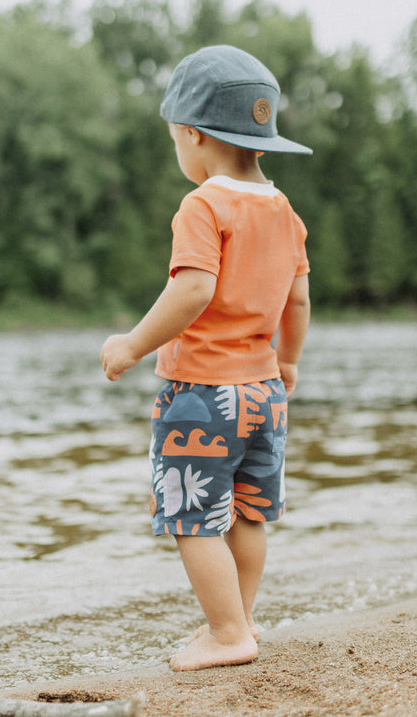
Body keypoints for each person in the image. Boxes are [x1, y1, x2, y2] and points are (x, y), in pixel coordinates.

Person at [100, 44, 311, 672]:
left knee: (192, 517)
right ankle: (238, 620)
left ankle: (226, 632)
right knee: (248, 512)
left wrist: (132, 344)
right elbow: (297, 298)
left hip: (202, 393)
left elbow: (193, 289)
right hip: (264, 392)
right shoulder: (283, 209)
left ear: (192, 136)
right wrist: (290, 362)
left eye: (174, 138)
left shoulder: (204, 205)